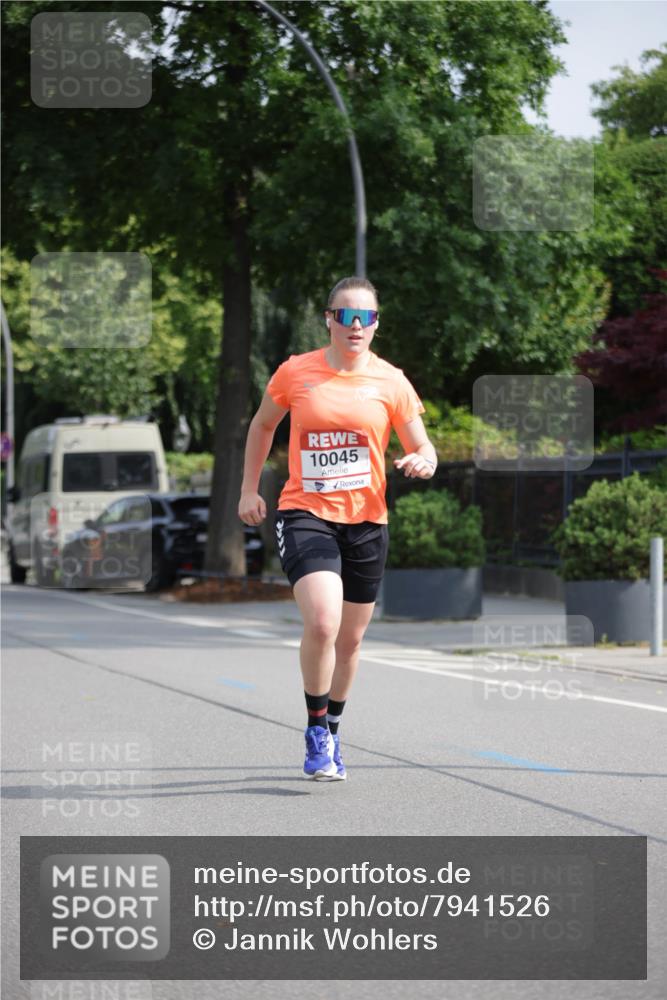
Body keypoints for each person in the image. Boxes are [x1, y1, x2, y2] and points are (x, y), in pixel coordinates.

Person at [238, 276, 437, 780]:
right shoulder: (296, 372)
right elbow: (263, 425)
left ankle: (335, 729)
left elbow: (423, 445)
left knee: (349, 642)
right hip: (306, 513)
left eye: (365, 318)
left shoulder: (391, 381)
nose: (355, 326)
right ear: (328, 319)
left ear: (375, 324)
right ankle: (315, 730)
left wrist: (424, 461)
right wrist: (248, 489)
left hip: (367, 521)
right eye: (345, 316)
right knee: (323, 623)